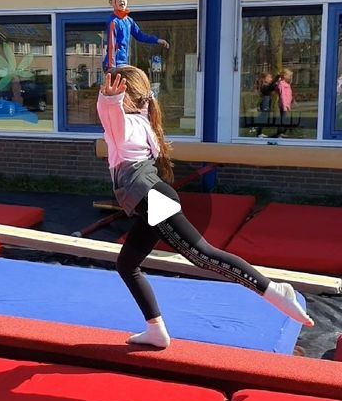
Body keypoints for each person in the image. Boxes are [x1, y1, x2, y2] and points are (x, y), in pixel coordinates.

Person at [97, 66, 314, 348]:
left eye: (107, 88)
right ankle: (156, 329)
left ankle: (273, 291)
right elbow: (112, 118)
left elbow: (110, 116)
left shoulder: (123, 124)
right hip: (150, 201)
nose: (101, 93)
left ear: (125, 95)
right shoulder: (139, 121)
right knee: (127, 264)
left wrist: (109, 101)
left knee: (204, 256)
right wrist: (112, 101)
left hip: (153, 200)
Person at [103, 0, 169, 72]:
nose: (121, 0)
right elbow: (111, 45)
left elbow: (140, 35)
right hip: (114, 64)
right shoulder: (113, 22)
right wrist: (111, 68)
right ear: (111, 2)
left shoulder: (129, 21)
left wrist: (157, 40)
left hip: (123, 63)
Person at [257, 72, 280, 137]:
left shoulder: (268, 86)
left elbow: (273, 87)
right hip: (265, 103)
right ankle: (259, 133)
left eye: (271, 77)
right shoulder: (264, 86)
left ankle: (259, 133)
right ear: (264, 79)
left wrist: (278, 82)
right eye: (269, 77)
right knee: (263, 118)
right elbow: (271, 86)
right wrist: (277, 76)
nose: (271, 79)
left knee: (264, 118)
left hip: (267, 103)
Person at [276, 68, 294, 137]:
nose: (291, 77)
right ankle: (280, 133)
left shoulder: (287, 83)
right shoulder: (282, 84)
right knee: (283, 118)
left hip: (286, 104)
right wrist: (285, 105)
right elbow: (283, 95)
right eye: (290, 76)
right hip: (283, 104)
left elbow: (289, 94)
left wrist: (291, 100)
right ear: (284, 76)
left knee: (284, 118)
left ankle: (281, 132)